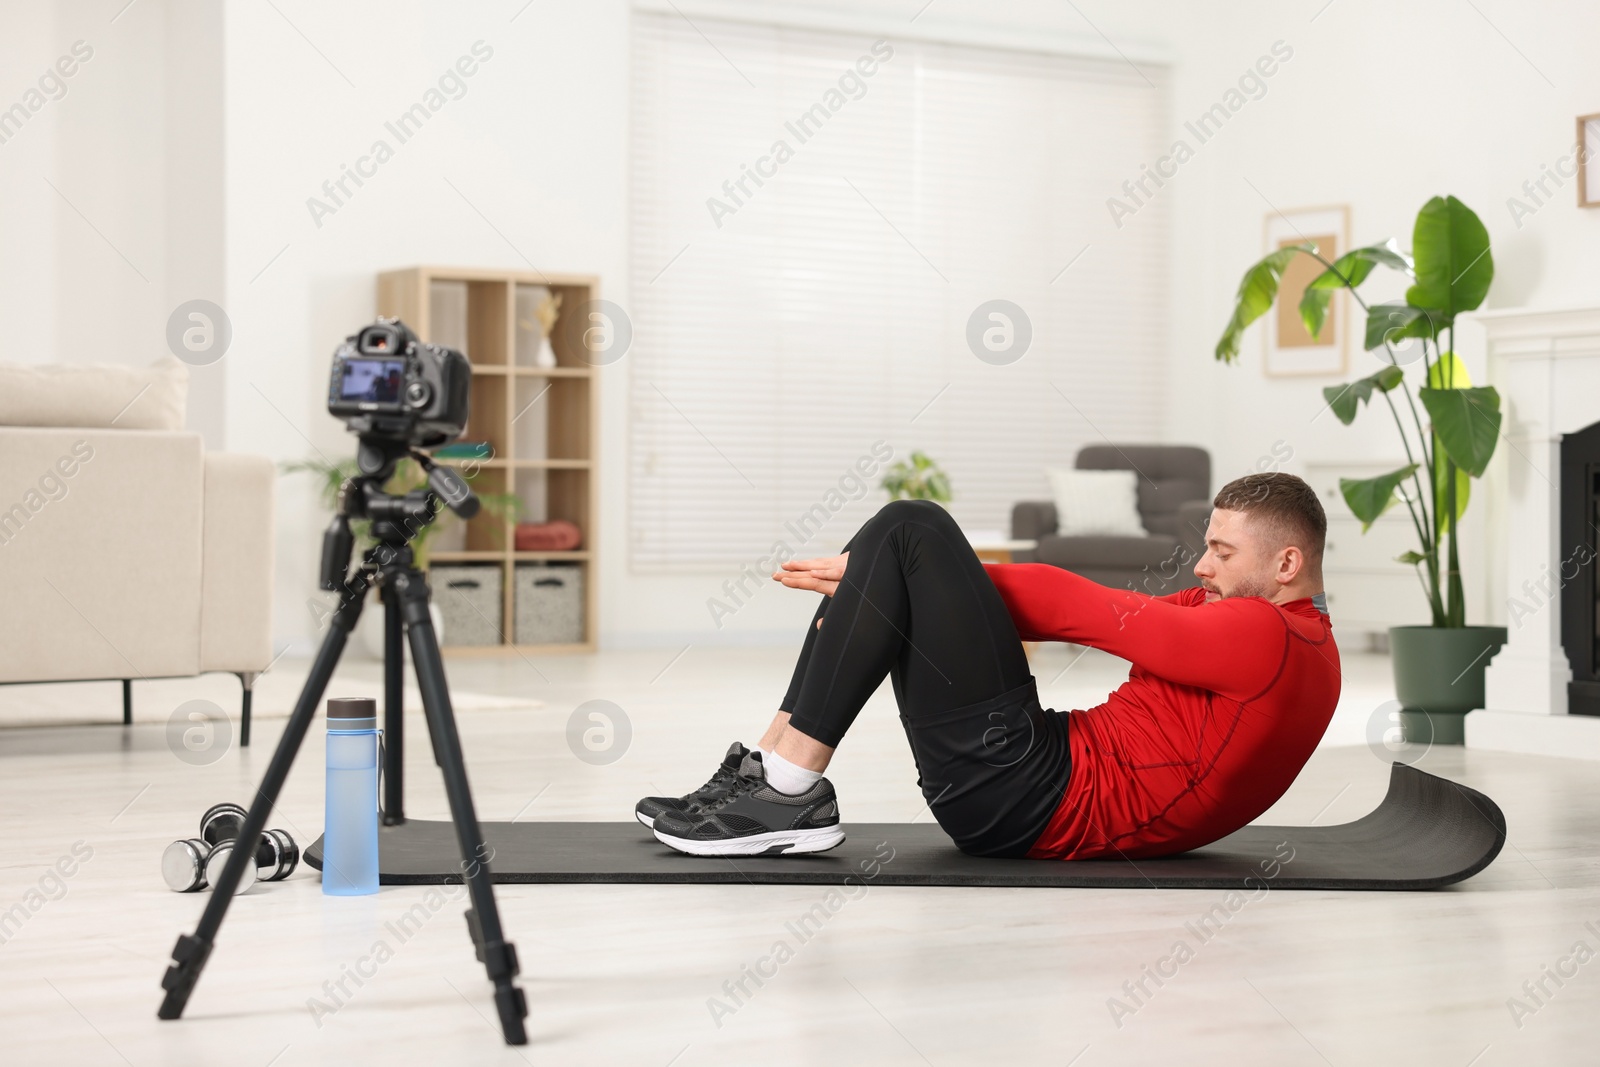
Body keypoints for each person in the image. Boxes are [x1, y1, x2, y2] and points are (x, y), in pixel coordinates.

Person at [636, 471, 1340, 860]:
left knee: (912, 527)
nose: (1200, 564)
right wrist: (884, 580)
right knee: (897, 532)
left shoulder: (1262, 635)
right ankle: (773, 767)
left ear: (1286, 562)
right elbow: (1091, 606)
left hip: (1028, 796)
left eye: (1222, 551)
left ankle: (786, 788)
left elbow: (1086, 612)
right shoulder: (1308, 647)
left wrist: (887, 578)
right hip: (1026, 781)